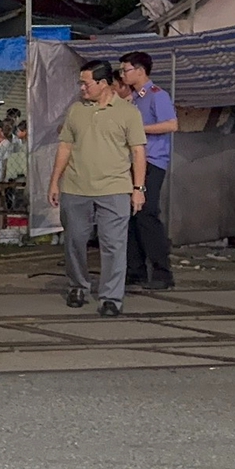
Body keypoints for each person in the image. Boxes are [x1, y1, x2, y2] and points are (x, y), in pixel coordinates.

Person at [51, 60, 148, 317]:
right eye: (81, 83)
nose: (82, 88)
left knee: (114, 244)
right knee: (75, 240)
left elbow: (138, 152)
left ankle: (111, 297)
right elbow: (65, 147)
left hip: (115, 188)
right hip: (76, 186)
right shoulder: (76, 110)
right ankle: (78, 286)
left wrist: (138, 188)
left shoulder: (128, 113)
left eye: (86, 83)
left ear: (103, 83)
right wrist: (54, 181)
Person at [118, 51, 177, 290]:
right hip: (133, 161)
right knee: (132, 215)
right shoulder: (134, 98)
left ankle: (162, 272)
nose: (123, 75)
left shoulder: (156, 95)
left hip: (153, 160)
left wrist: (140, 130)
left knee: (147, 213)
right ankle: (136, 270)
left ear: (140, 70)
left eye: (126, 70)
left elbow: (172, 124)